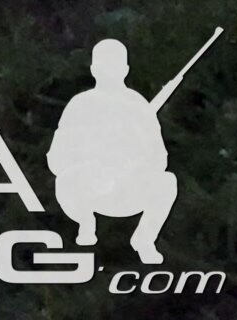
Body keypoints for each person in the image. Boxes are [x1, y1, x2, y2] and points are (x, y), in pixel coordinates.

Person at [51, 38, 182, 266]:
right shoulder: (80, 105)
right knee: (66, 181)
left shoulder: (138, 105)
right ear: (93, 69)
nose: (108, 71)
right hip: (90, 188)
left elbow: (159, 158)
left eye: (114, 65)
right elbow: (57, 158)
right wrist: (92, 159)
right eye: (103, 65)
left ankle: (144, 239)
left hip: (129, 188)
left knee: (167, 182)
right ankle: (85, 223)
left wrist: (134, 159)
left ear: (125, 69)